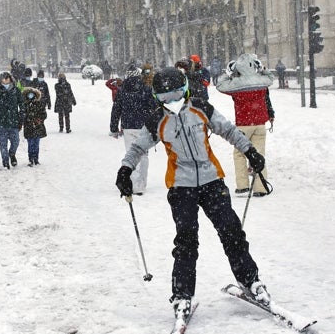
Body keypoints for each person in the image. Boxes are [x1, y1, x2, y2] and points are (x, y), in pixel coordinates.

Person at [115, 67, 270, 320]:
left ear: (185, 90)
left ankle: (251, 281)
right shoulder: (157, 120)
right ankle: (182, 296)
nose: (172, 102)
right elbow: (137, 147)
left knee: (231, 232)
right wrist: (125, 169)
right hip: (180, 187)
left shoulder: (201, 108)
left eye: (176, 94)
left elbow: (229, 130)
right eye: (165, 97)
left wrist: (250, 151)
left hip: (212, 182)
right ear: (157, 97)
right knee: (186, 242)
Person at [216, 53, 275, 197]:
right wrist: (262, 69)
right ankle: (260, 187)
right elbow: (270, 78)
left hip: (243, 123)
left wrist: (228, 72)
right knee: (259, 153)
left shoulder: (236, 84)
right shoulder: (261, 81)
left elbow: (220, 85)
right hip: (260, 123)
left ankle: (242, 185)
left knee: (240, 153)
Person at [110, 65, 157, 195]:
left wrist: (114, 128)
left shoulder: (122, 90)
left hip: (128, 126)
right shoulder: (146, 90)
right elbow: (154, 107)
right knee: (144, 155)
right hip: (144, 126)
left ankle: (133, 181)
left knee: (132, 154)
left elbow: (116, 110)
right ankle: (141, 184)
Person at [0, 72, 24, 169]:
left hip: (13, 121)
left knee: (15, 141)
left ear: (11, 79)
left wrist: (21, 114)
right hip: (1, 122)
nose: (6, 80)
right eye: (3, 78)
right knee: (3, 143)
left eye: (7, 78)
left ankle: (12, 154)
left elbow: (22, 104)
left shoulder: (16, 90)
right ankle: (5, 161)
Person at [21, 87, 47, 166]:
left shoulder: (39, 104)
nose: (31, 96)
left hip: (38, 127)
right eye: (29, 94)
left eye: (32, 94)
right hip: (28, 127)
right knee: (30, 144)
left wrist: (39, 119)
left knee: (36, 144)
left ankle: (36, 159)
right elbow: (22, 114)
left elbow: (44, 114)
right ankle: (31, 159)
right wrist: (25, 119)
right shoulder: (25, 104)